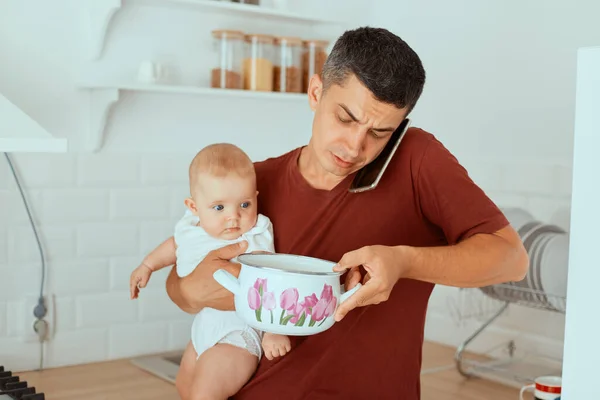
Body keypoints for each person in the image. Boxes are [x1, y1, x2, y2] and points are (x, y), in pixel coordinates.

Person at [159, 27, 529, 399]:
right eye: (346, 118)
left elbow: (511, 259)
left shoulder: (417, 160)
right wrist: (192, 289)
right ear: (316, 92)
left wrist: (404, 262)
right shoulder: (252, 187)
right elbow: (181, 287)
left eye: (380, 132)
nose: (355, 147)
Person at [129, 143, 292, 400]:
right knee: (185, 386)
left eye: (245, 205)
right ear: (194, 207)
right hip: (203, 330)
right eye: (219, 208)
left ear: (256, 198)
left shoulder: (255, 233)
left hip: (239, 333)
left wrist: (273, 330)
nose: (233, 217)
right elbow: (174, 246)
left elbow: (270, 280)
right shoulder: (192, 228)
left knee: (205, 393)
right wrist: (148, 265)